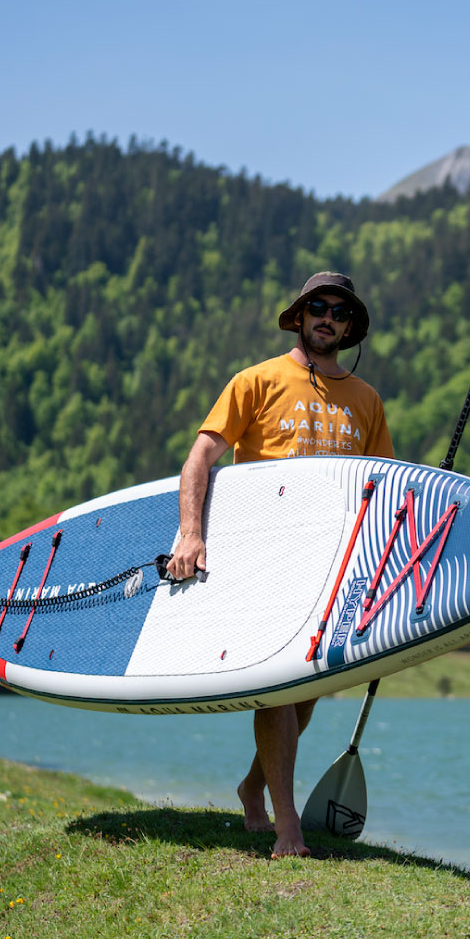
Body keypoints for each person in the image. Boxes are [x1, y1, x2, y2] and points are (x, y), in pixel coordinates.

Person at [166, 272, 394, 858]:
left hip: (333, 568)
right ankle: (286, 824)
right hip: (262, 559)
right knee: (277, 687)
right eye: (317, 307)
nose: (328, 318)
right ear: (298, 316)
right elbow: (200, 459)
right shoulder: (257, 381)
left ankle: (252, 785)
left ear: (351, 328)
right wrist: (190, 534)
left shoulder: (366, 400)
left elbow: (383, 489)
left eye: (340, 313)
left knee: (305, 694)